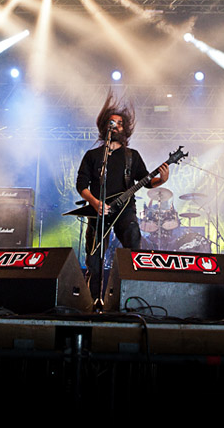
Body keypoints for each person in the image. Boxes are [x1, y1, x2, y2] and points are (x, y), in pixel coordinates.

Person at [77, 94, 169, 304]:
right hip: (99, 211)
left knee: (133, 247)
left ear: (125, 128)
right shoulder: (93, 156)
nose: (116, 126)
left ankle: (132, 298)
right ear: (105, 126)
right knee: (94, 259)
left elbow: (146, 181)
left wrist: (161, 180)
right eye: (112, 123)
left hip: (125, 210)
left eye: (120, 123)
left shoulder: (132, 156)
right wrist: (95, 202)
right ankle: (93, 301)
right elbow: (81, 185)